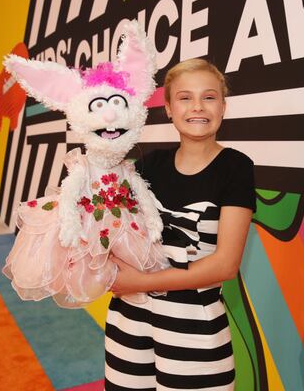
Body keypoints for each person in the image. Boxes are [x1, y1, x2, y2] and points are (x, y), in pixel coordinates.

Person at [104, 59, 256, 390]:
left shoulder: (235, 167)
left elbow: (225, 264)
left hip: (194, 330)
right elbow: (111, 232)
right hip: (128, 320)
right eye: (185, 98)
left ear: (223, 106)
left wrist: (141, 281)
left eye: (209, 97)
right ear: (169, 109)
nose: (197, 107)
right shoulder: (148, 164)